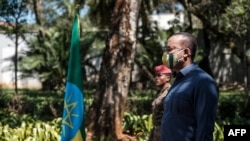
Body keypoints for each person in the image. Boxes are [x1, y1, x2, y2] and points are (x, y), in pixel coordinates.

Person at [160, 32, 219, 141]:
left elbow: (205, 128)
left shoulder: (203, 82)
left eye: (169, 50)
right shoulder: (178, 80)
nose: (166, 54)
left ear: (186, 52)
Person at [148, 65, 172, 141]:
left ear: (168, 78)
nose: (156, 78)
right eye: (156, 76)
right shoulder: (161, 92)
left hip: (165, 131)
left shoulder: (170, 93)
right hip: (156, 131)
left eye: (159, 75)